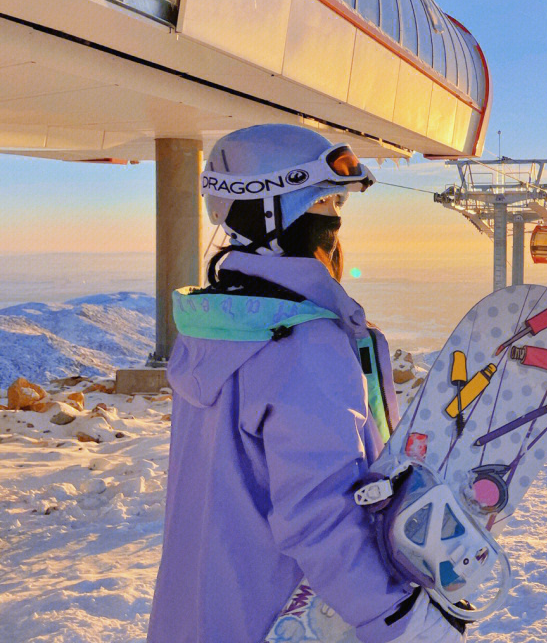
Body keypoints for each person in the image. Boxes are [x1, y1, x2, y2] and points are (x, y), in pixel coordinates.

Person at [148, 124, 465, 643]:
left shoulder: (213, 328)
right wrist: (399, 618)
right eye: (327, 206)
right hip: (281, 621)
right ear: (278, 218)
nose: (335, 228)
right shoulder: (305, 347)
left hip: (199, 615)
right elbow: (322, 514)